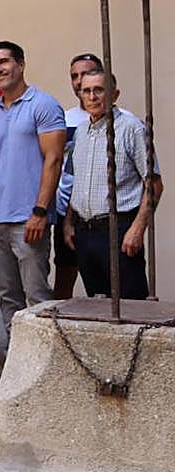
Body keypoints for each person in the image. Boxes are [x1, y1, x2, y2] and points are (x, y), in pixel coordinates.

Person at [0, 40, 65, 389]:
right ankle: (17, 366)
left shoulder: (43, 105)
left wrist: (40, 211)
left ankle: (46, 371)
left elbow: (53, 161)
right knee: (8, 296)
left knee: (37, 296)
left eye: (5, 62)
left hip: (29, 219)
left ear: (21, 64)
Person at [64, 71, 163, 300]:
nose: (92, 96)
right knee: (98, 302)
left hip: (119, 230)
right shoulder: (80, 132)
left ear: (114, 94)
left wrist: (137, 229)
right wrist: (69, 222)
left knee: (131, 305)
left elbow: (154, 184)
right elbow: (76, 182)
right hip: (85, 233)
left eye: (99, 90)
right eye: (86, 91)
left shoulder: (132, 128)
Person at [53, 52, 104, 299]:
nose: (79, 80)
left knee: (109, 285)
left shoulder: (123, 122)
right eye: (74, 76)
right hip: (67, 212)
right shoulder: (64, 119)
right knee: (64, 278)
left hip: (104, 214)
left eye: (85, 73)